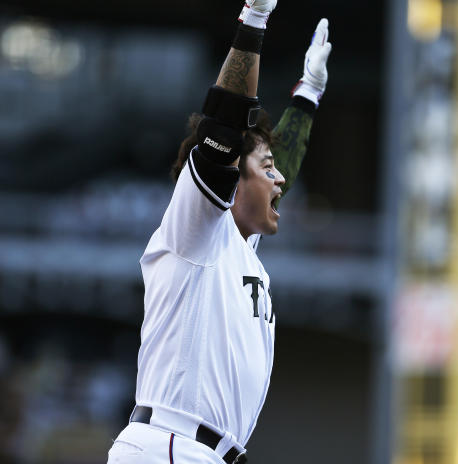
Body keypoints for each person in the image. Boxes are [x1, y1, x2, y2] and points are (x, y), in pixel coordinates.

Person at [106, 1, 332, 463]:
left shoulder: (238, 242)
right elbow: (226, 125)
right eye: (266, 169)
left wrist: (307, 95)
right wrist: (253, 21)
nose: (280, 179)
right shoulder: (198, 227)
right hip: (172, 447)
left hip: (199, 451)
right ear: (233, 177)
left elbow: (275, 170)